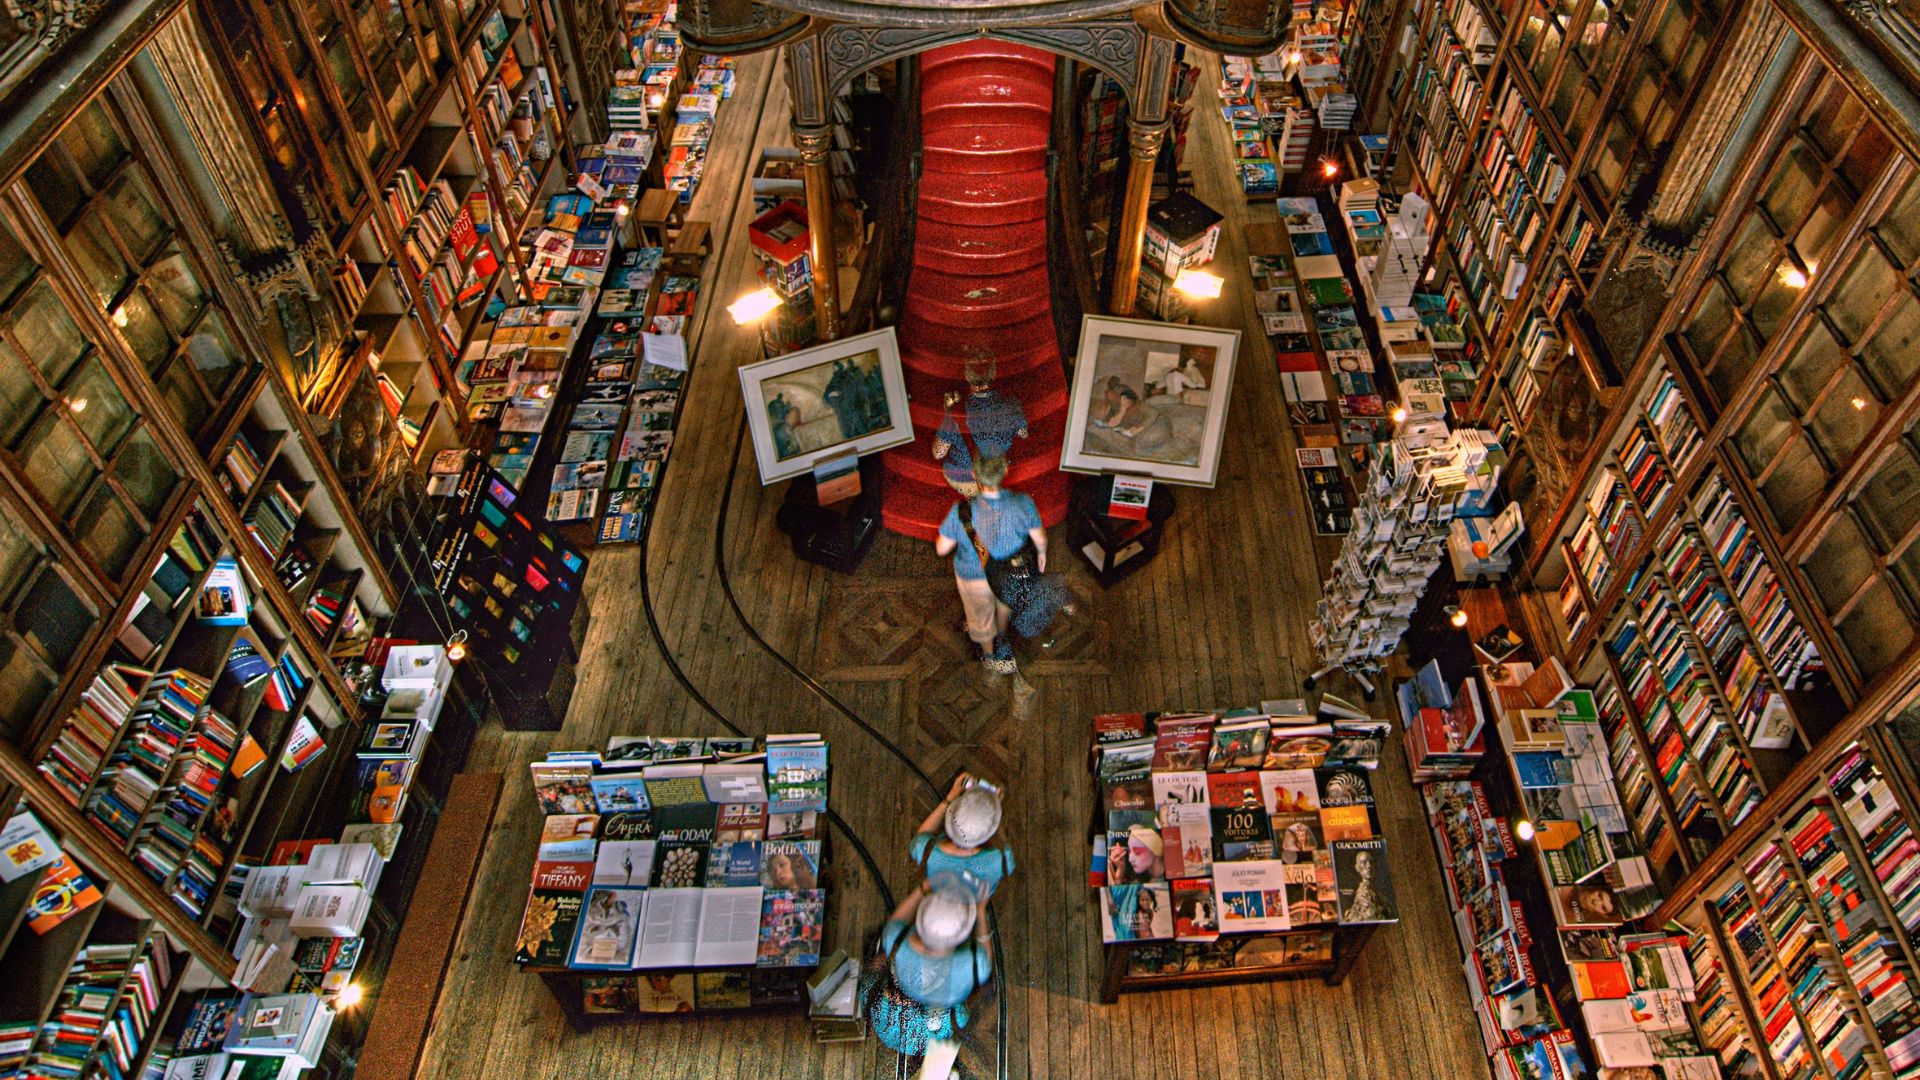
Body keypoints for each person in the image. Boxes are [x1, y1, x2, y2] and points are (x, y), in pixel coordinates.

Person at [934, 455, 1046, 673]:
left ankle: (989, 654)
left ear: (974, 475)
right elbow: (1040, 538)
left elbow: (941, 549)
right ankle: (1002, 635)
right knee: (1004, 604)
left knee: (980, 617)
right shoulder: (1023, 503)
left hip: (974, 577)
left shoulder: (961, 513)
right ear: (1004, 472)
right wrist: (1041, 554)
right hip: (1010, 572)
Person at [864, 877, 993, 1060]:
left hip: (888, 1026)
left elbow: (897, 921)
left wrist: (923, 888)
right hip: (932, 1036)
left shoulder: (895, 937)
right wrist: (980, 911)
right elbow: (985, 956)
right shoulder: (971, 965)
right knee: (959, 1017)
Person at [910, 772, 1015, 928]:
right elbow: (1002, 844)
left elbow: (920, 837)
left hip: (938, 899)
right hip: (976, 899)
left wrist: (950, 797)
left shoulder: (924, 849)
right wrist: (993, 808)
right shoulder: (1003, 858)